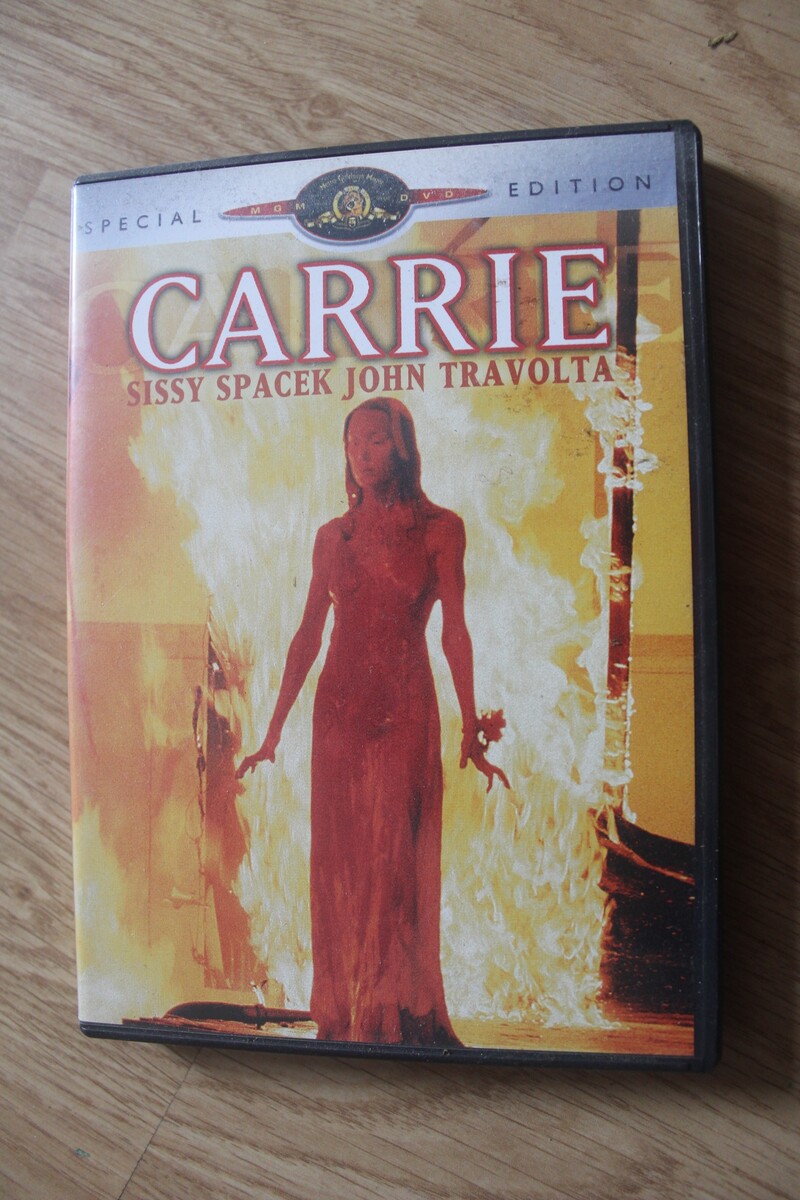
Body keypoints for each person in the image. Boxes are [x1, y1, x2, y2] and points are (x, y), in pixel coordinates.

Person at [237, 397, 508, 1046]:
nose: (362, 453)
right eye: (353, 442)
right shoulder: (333, 537)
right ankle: (346, 1013)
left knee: (392, 865)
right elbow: (308, 634)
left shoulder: (441, 529)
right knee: (340, 866)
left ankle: (393, 1016)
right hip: (339, 715)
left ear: (404, 448)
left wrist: (470, 725)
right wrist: (272, 734)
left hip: (404, 712)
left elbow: (455, 632)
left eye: (377, 440)